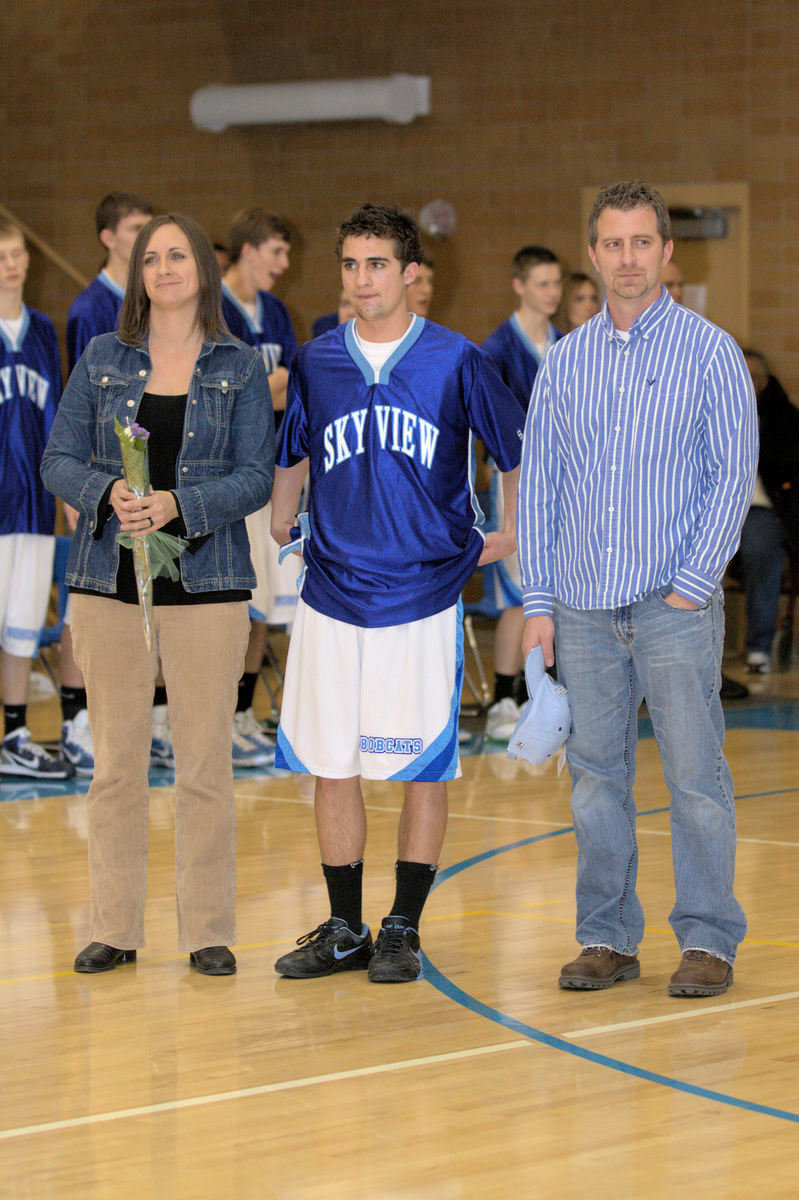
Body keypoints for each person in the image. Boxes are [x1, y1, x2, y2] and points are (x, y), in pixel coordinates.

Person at [270, 203, 523, 983]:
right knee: (332, 762)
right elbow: (294, 454)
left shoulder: (455, 360)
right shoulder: (317, 361)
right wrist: (283, 522)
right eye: (349, 265)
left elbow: (515, 452)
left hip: (422, 592)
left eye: (376, 264)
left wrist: (508, 536)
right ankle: (345, 926)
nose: (361, 280)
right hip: (332, 591)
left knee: (421, 764)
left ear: (411, 273)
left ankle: (402, 926)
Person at [518, 180, 757, 998]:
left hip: (671, 606)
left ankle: (707, 939)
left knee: (694, 777)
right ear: (593, 255)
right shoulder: (564, 362)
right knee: (594, 782)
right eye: (611, 245)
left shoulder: (708, 351)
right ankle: (607, 936)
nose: (626, 259)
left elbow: (732, 474)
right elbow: (541, 487)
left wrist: (693, 584)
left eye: (640, 244)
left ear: (665, 253)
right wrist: (538, 603)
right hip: (582, 609)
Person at [41, 214, 274, 975]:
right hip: (109, 582)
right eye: (152, 258)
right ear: (137, 273)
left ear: (204, 270)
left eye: (178, 256)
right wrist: (109, 491)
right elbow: (58, 457)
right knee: (116, 764)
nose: (165, 268)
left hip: (207, 585)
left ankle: (206, 930)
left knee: (204, 762)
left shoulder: (237, 367)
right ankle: (115, 926)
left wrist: (179, 504)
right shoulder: (104, 357)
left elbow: (254, 478)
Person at [62, 193, 156, 777]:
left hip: (145, 478)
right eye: (137, 229)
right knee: (93, 602)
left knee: (143, 600)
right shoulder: (89, 309)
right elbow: (80, 408)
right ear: (108, 237)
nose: (147, 240)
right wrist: (80, 491)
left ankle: (144, 718)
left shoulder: (148, 303)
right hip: (101, 477)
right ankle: (78, 720)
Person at [222, 208, 300, 767]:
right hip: (226, 475)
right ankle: (206, 716)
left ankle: (241, 714)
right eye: (276, 252)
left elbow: (291, 386)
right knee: (231, 606)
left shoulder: (275, 311)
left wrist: (261, 386)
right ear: (248, 251)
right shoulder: (213, 308)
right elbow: (229, 393)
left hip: (270, 470)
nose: (284, 263)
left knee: (261, 609)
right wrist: (262, 387)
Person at [0, 218, 73, 780]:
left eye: (18, 253)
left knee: (23, 623)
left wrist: (67, 489)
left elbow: (56, 419)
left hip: (31, 506)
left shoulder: (44, 330)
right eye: (2, 255)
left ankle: (16, 733)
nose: (13, 264)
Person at [481, 245, 563, 741]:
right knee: (517, 595)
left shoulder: (565, 342)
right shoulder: (496, 349)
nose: (552, 293)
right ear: (520, 286)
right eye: (542, 284)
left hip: (559, 481)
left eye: (556, 284)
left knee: (548, 592)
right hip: (515, 482)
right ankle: (501, 698)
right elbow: (490, 427)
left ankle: (538, 693)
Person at [738, 349, 799, 672]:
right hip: (716, 506)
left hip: (760, 508)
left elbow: (786, 464)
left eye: (753, 376)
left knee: (761, 549)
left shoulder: (783, 417)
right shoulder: (714, 407)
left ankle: (759, 646)